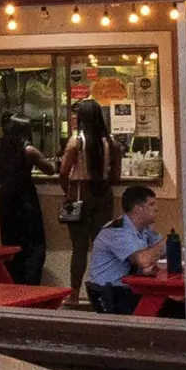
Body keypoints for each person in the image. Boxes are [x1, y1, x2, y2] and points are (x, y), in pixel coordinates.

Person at [59, 99, 120, 300]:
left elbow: (63, 172)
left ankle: (74, 294)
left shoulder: (76, 142)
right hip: (103, 195)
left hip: (79, 194)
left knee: (79, 248)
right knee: (101, 246)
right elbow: (115, 178)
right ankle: (100, 293)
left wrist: (69, 192)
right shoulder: (111, 142)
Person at [0, 116, 56, 285]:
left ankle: (14, 283)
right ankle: (30, 284)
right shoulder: (29, 151)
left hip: (5, 198)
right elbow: (50, 170)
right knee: (34, 244)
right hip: (25, 197)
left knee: (10, 244)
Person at [84, 185, 166, 315]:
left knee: (177, 306)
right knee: (169, 310)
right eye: (151, 204)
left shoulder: (143, 229)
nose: (157, 208)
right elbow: (143, 260)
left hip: (127, 290)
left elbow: (164, 250)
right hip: (110, 294)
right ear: (139, 208)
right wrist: (167, 241)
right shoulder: (117, 231)